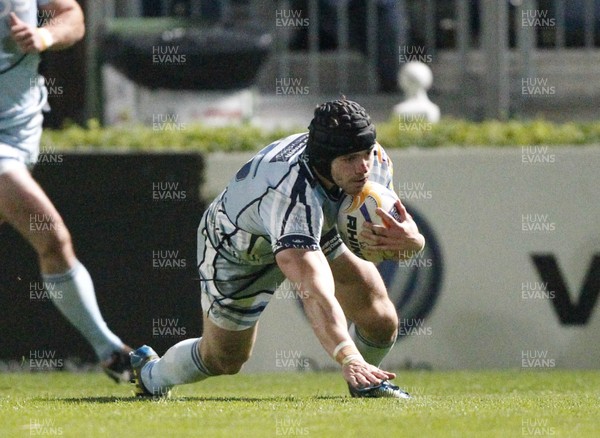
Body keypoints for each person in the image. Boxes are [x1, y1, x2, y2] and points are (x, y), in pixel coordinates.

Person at [130, 99, 425, 398]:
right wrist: (348, 357)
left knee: (380, 319)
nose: (363, 166)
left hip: (313, 227)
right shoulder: (290, 193)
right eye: (350, 158)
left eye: (365, 153)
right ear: (324, 159)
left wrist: (414, 240)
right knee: (224, 359)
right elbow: (313, 290)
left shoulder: (373, 161)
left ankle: (365, 384)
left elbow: (395, 225)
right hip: (238, 248)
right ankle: (150, 374)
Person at [0, 0, 131, 382]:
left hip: (23, 129)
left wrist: (43, 35)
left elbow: (71, 17)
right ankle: (112, 352)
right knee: (52, 237)